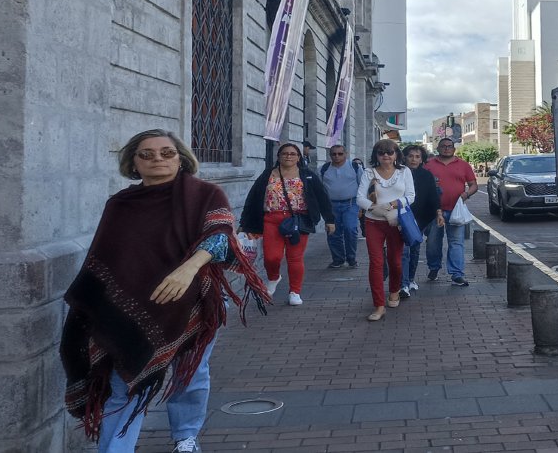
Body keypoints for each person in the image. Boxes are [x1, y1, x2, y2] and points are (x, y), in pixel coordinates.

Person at [61, 129, 269, 453]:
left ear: (181, 158)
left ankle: (185, 436)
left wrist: (187, 270)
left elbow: (220, 235)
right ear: (133, 162)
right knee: (124, 382)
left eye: (166, 152)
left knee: (190, 376)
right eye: (147, 154)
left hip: (194, 305)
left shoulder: (205, 195)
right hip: (130, 313)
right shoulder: (119, 205)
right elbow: (105, 261)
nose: (157, 158)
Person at [240, 143, 334, 306]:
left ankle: (295, 292)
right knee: (271, 257)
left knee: (295, 258)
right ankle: (274, 277)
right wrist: (244, 223)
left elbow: (322, 197)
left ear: (298, 157)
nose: (288, 156)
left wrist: (330, 220)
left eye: (292, 154)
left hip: (298, 220)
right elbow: (253, 198)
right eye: (284, 153)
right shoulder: (268, 174)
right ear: (279, 156)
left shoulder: (307, 175)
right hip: (272, 219)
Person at [357, 140, 415, 320]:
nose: (386, 156)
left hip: (396, 222)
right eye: (381, 153)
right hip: (373, 221)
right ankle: (379, 305)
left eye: (390, 152)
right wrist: (375, 208)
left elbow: (411, 196)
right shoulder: (368, 172)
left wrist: (392, 204)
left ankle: (395, 290)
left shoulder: (404, 172)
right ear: (376, 155)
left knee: (395, 262)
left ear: (396, 155)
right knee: (376, 263)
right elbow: (359, 198)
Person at [424, 137, 477, 286]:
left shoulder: (463, 165)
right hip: (434, 212)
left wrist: (466, 194)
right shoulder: (429, 165)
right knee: (433, 243)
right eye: (443, 146)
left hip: (456, 211)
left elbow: (473, 185)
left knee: (456, 243)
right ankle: (434, 267)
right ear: (438, 148)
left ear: (454, 149)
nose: (447, 148)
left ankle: (456, 274)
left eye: (449, 146)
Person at [402, 144, 444, 297]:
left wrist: (438, 213)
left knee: (414, 250)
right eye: (410, 156)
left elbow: (434, 196)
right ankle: (403, 284)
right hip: (401, 217)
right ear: (404, 157)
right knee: (403, 251)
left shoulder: (426, 175)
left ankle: (410, 279)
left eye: (417, 156)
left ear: (422, 159)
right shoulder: (398, 173)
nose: (413, 159)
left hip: (420, 219)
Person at [320, 144, 363, 268]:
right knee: (333, 232)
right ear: (330, 155)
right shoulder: (323, 169)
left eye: (340, 153)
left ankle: (351, 259)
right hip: (331, 205)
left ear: (346, 154)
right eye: (334, 154)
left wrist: (362, 207)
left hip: (351, 203)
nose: (337, 156)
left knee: (350, 229)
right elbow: (319, 189)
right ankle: (338, 259)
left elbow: (362, 186)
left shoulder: (355, 167)